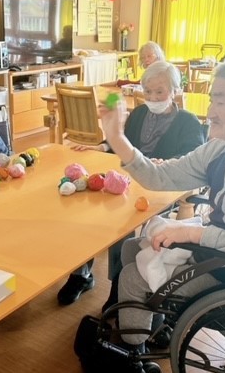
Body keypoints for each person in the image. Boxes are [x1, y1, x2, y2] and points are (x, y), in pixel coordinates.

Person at [97, 51, 225, 360]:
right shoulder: (219, 149)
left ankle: (132, 352)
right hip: (219, 250)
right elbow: (160, 176)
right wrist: (116, 138)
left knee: (132, 277)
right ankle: (155, 324)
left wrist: (191, 233)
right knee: (131, 248)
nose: (210, 112)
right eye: (211, 101)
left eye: (220, 102)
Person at [57, 61, 205, 307]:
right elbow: (121, 142)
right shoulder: (138, 114)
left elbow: (192, 157)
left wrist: (168, 162)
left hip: (159, 189)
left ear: (175, 91)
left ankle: (118, 290)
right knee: (86, 214)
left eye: (160, 92)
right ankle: (82, 274)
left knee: (120, 228)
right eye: (148, 91)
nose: (152, 97)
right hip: (124, 182)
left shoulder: (188, 122)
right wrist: (101, 146)